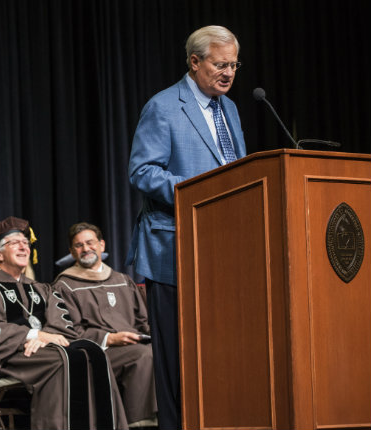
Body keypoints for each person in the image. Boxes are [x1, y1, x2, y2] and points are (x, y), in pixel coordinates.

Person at [126, 25, 247, 429]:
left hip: (225, 247)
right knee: (179, 358)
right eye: (219, 64)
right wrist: (199, 191)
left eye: (233, 64)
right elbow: (142, 172)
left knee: (220, 352)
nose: (228, 73)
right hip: (175, 249)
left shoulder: (228, 108)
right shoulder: (164, 106)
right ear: (195, 62)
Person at [0, 216, 128, 430]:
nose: (23, 247)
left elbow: (62, 324)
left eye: (25, 243)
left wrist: (45, 338)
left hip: (42, 350)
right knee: (61, 360)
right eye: (14, 243)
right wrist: (33, 336)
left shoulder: (41, 287)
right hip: (6, 356)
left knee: (93, 353)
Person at [53, 222, 157, 426]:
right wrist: (110, 338)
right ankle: (141, 423)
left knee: (165, 355)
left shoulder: (122, 280)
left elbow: (143, 321)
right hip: (97, 353)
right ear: (72, 252)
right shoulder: (64, 285)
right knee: (144, 356)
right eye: (79, 245)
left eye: (90, 243)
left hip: (134, 345)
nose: (85, 249)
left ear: (102, 245)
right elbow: (70, 331)